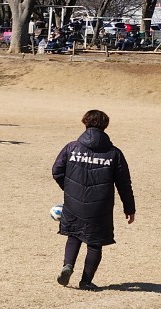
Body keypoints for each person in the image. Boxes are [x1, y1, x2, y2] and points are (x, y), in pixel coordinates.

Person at [52, 109, 136, 291]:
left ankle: (67, 266)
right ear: (105, 126)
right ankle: (86, 281)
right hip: (100, 206)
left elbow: (56, 171)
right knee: (95, 243)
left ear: (85, 123)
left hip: (73, 202)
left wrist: (70, 189)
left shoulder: (71, 147)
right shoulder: (114, 153)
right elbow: (124, 183)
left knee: (74, 235)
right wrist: (129, 208)